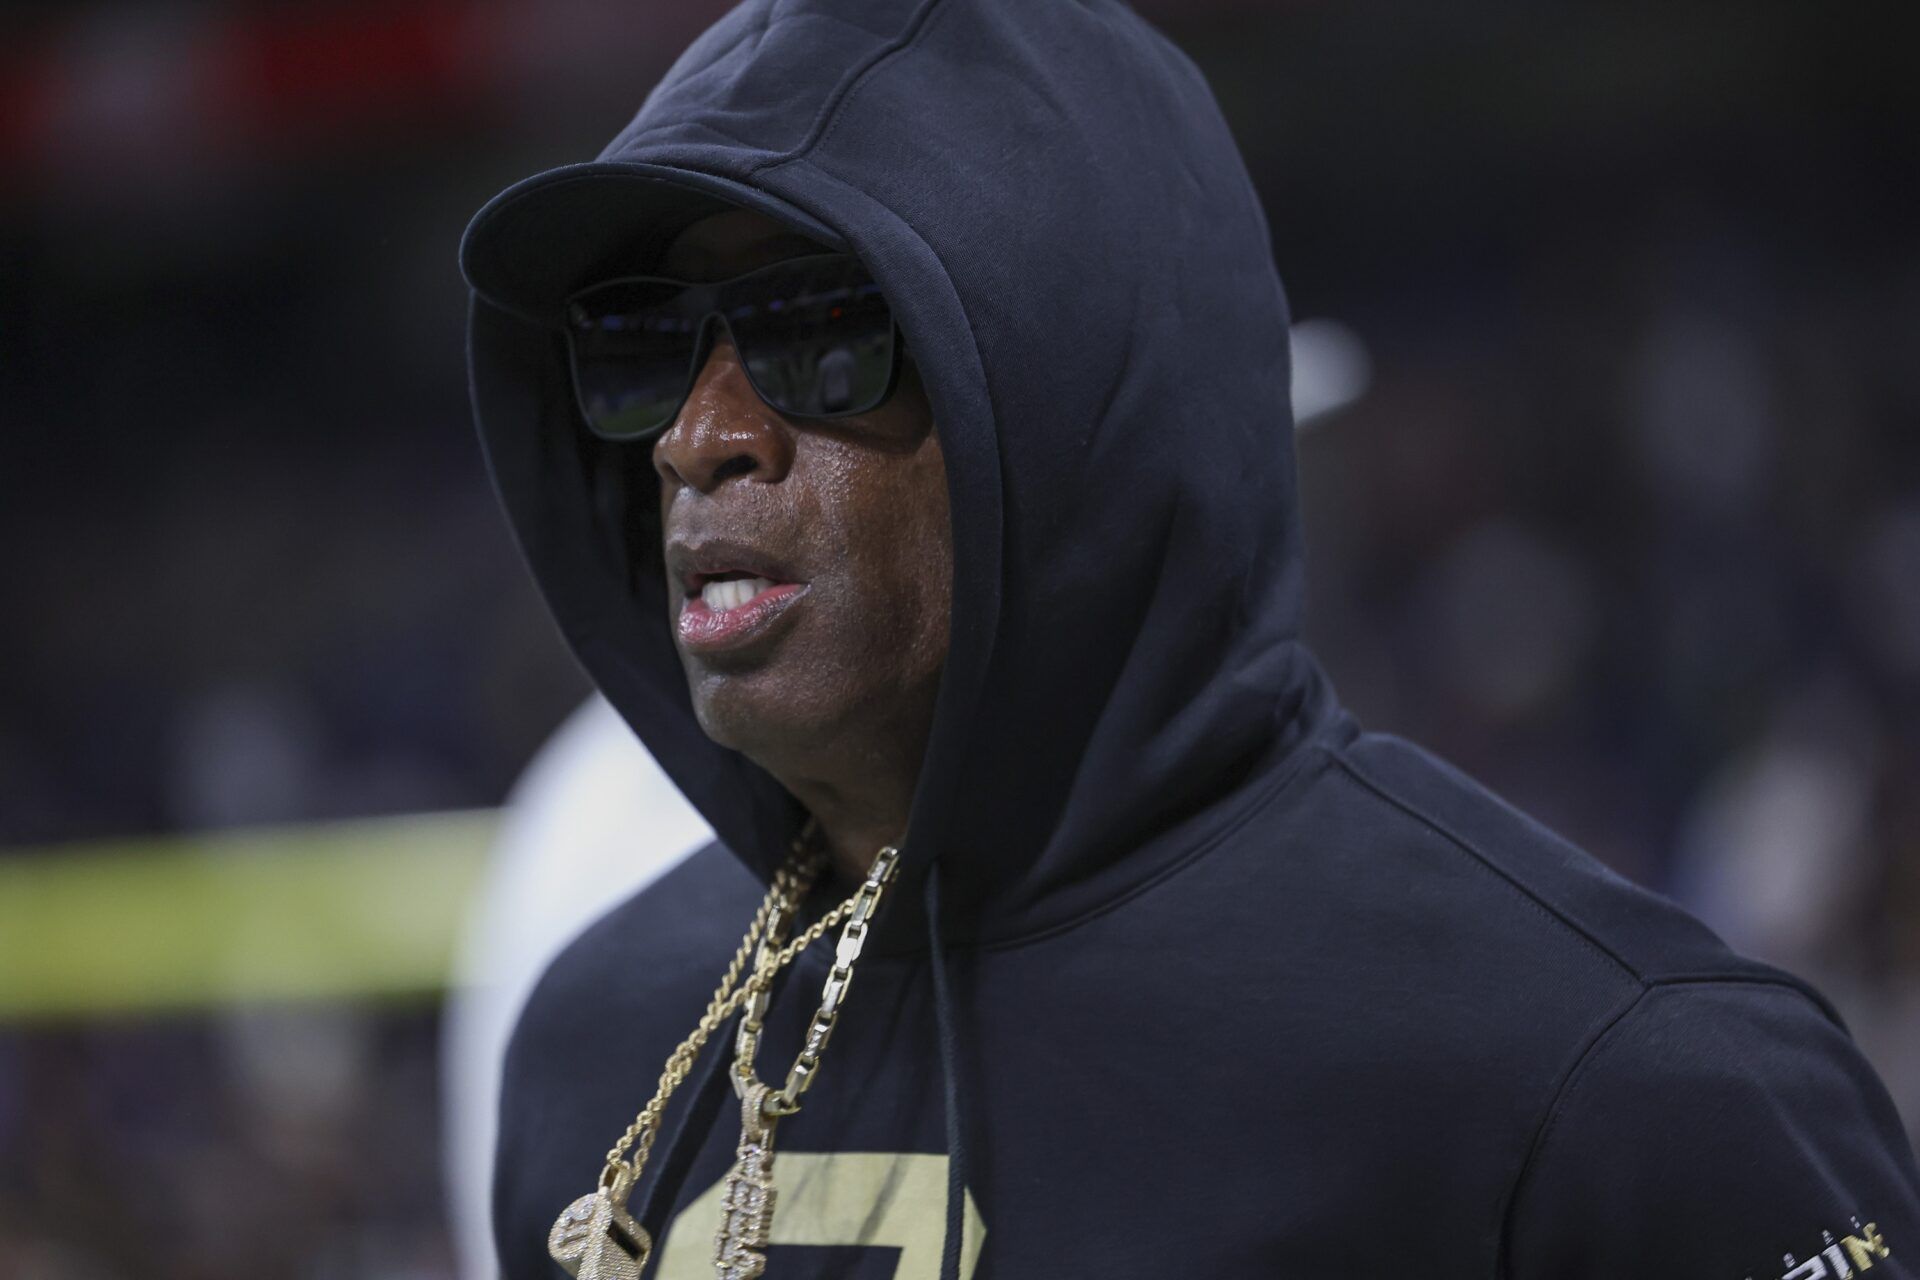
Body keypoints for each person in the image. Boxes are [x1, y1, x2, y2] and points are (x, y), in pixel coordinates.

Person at [458, 1, 1920, 1277]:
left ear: (1075, 399)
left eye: (821, 327)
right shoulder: (606, 1044)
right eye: (642, 347)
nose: (698, 440)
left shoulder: (1608, 1086)